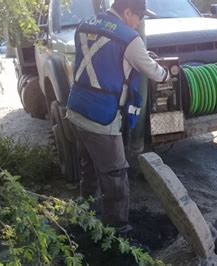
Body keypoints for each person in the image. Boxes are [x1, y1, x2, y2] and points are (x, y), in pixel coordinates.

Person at [66, 0, 169, 233]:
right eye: (139, 16)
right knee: (115, 174)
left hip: (76, 109)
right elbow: (153, 71)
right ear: (127, 12)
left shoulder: (84, 24)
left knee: (88, 167)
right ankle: (119, 230)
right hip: (101, 116)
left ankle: (87, 214)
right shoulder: (130, 38)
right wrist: (165, 73)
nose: (140, 21)